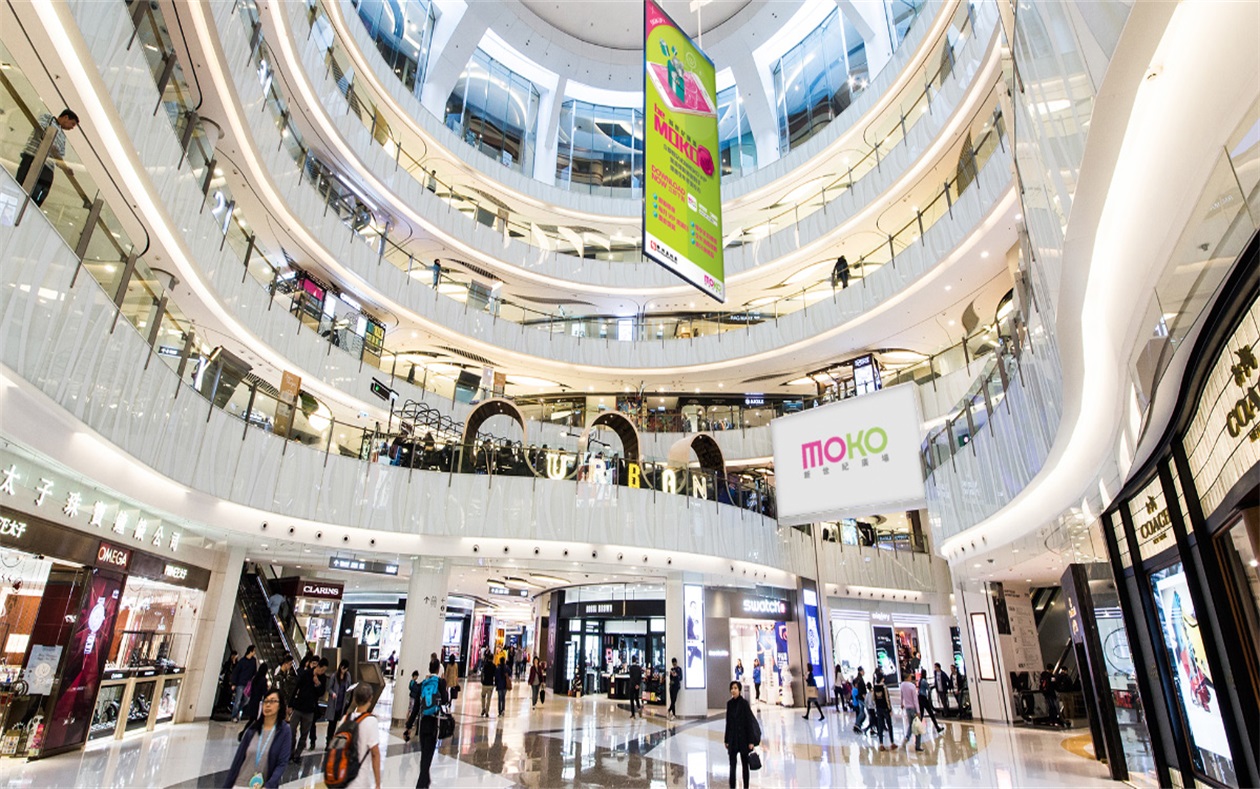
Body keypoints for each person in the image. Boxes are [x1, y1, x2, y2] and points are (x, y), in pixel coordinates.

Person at [223, 690, 292, 788]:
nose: (268, 705)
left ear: (280, 705)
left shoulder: (284, 731)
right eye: (265, 701)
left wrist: (268, 786)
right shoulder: (253, 729)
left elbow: (282, 764)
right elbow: (238, 760)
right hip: (240, 784)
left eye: (272, 701)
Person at [16, 109, 78, 207]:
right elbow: (41, 132)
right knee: (22, 183)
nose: (72, 127)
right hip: (33, 157)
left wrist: (65, 167)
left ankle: (30, 208)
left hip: (48, 167)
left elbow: (58, 157)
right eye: (72, 124)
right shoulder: (48, 118)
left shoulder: (63, 137)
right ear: (66, 117)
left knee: (41, 192)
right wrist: (53, 147)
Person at [414, 657, 449, 788]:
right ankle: (420, 785)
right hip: (434, 724)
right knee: (427, 758)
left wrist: (408, 725)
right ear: (439, 669)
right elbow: (445, 700)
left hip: (423, 723)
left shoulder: (424, 683)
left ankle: (425, 782)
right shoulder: (440, 682)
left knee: (425, 755)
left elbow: (416, 707)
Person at [341, 682, 382, 789]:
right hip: (360, 782)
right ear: (370, 698)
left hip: (343, 779)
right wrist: (378, 783)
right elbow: (375, 754)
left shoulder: (345, 719)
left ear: (355, 699)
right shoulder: (370, 721)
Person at [290, 657, 328, 762]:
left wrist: (317, 684)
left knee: (304, 733)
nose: (323, 672)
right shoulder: (306, 674)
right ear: (318, 666)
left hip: (310, 710)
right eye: (322, 670)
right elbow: (297, 687)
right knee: (292, 730)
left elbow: (321, 693)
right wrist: (291, 704)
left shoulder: (322, 678)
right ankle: (290, 752)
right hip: (299, 707)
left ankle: (297, 754)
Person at [723, 681, 760, 789]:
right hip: (733, 739)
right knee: (732, 766)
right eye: (732, 688)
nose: (733, 690)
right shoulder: (729, 704)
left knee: (745, 765)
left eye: (735, 688)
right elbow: (728, 723)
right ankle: (732, 786)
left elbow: (749, 723)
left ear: (739, 690)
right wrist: (726, 739)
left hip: (744, 739)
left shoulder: (744, 704)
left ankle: (746, 786)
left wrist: (751, 741)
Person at [325, 660, 352, 748]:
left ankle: (336, 742)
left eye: (345, 669)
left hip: (342, 703)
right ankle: (328, 742)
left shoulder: (348, 676)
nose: (344, 670)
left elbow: (349, 689)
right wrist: (332, 693)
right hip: (334, 703)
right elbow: (329, 688)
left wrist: (347, 700)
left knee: (339, 723)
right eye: (343, 668)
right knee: (331, 724)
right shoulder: (334, 676)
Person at [231, 645, 258, 722]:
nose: (255, 652)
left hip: (248, 684)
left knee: (246, 700)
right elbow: (236, 672)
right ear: (251, 651)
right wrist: (234, 683)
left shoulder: (253, 661)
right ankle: (234, 716)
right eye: (254, 651)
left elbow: (254, 672)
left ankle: (238, 712)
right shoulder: (242, 661)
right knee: (238, 700)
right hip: (240, 683)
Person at [869, 673, 895, 751]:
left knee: (880, 726)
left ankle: (881, 744)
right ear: (882, 679)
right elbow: (887, 699)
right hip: (885, 709)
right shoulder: (884, 687)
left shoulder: (874, 687)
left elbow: (873, 698)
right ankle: (892, 743)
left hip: (878, 709)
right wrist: (890, 709)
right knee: (889, 725)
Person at [900, 672, 923, 751]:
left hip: (907, 708)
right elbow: (915, 700)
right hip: (913, 708)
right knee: (917, 726)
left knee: (911, 725)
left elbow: (902, 695)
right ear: (908, 677)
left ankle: (907, 737)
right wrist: (918, 711)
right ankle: (917, 745)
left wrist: (901, 703)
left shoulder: (902, 685)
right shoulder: (912, 686)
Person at [918, 669, 944, 733]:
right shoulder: (924, 681)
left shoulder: (920, 680)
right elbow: (928, 689)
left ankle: (918, 728)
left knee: (921, 713)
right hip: (924, 698)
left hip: (919, 697)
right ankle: (937, 727)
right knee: (931, 713)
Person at [851, 666, 868, 733]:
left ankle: (858, 725)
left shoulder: (858, 679)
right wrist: (864, 697)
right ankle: (857, 724)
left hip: (860, 698)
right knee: (862, 713)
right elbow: (861, 690)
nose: (864, 672)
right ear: (860, 671)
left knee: (862, 713)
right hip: (861, 698)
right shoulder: (860, 680)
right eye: (863, 671)